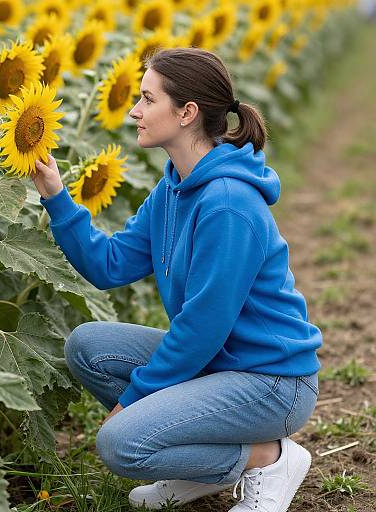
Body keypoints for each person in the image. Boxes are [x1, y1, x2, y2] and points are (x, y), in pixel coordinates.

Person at [32, 47, 322, 512]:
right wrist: (56, 195)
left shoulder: (228, 203)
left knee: (119, 443)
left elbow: (202, 328)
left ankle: (268, 458)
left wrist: (135, 400)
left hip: (271, 382)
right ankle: (198, 469)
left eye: (148, 99)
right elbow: (110, 265)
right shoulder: (174, 187)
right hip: (221, 365)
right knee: (90, 347)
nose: (134, 111)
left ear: (187, 113)